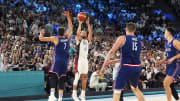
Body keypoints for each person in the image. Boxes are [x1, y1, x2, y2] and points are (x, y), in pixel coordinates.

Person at [100, 22, 145, 101]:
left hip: (126, 67)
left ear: (126, 29)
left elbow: (111, 52)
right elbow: (133, 57)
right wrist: (113, 62)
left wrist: (103, 67)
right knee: (135, 88)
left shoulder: (122, 38)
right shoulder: (139, 41)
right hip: (136, 67)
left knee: (117, 91)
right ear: (134, 30)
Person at [39, 11, 72, 101]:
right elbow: (71, 28)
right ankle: (60, 98)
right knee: (62, 78)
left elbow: (41, 39)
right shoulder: (67, 37)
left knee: (53, 76)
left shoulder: (55, 38)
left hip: (57, 60)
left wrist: (41, 33)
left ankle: (52, 95)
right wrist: (68, 18)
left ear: (57, 32)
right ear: (64, 32)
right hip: (65, 61)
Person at [156, 27, 180, 101]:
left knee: (166, 83)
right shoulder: (166, 43)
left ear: (168, 33)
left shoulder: (175, 42)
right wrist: (161, 61)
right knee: (168, 85)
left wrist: (173, 58)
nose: (164, 33)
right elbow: (167, 56)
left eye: (165, 32)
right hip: (168, 66)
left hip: (175, 65)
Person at [72, 17, 92, 101]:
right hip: (79, 60)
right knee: (77, 77)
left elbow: (90, 32)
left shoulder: (88, 41)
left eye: (84, 32)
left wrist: (88, 24)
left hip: (85, 60)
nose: (83, 32)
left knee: (85, 77)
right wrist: (80, 24)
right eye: (82, 32)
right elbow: (77, 33)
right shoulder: (78, 40)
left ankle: (82, 95)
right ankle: (74, 94)